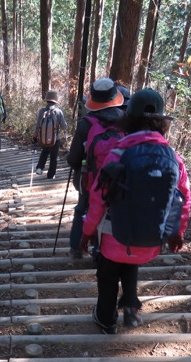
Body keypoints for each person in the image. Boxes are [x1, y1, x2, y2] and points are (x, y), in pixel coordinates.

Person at [81, 88, 191, 334]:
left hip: (114, 234)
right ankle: (131, 305)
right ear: (162, 122)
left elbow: (98, 198)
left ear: (128, 119)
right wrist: (177, 233)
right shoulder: (174, 157)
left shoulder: (118, 153)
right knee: (131, 261)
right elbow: (184, 199)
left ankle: (106, 319)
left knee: (108, 274)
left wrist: (87, 231)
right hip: (150, 240)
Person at [66, 78, 125, 259]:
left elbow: (73, 159)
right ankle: (100, 252)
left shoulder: (87, 123)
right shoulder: (125, 120)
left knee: (82, 209)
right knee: (110, 212)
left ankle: (76, 248)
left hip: (89, 179)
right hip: (117, 179)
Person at [32, 90, 68, 179]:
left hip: (43, 137)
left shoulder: (42, 111)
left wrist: (35, 135)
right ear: (55, 101)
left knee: (44, 152)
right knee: (54, 157)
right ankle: (51, 175)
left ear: (47, 100)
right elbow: (64, 127)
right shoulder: (59, 112)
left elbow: (38, 125)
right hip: (55, 138)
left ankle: (39, 168)